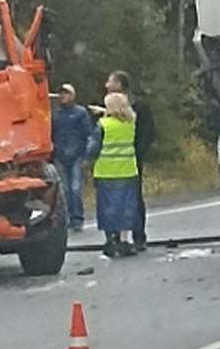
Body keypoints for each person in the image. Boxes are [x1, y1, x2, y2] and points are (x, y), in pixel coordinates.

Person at [90, 70, 156, 251]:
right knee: (123, 200)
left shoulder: (138, 105)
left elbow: (147, 131)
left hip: (128, 161)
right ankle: (119, 237)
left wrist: (137, 152)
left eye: (110, 82)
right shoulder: (121, 113)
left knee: (130, 200)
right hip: (124, 163)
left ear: (119, 84)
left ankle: (137, 236)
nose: (106, 85)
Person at [86, 92, 140, 257]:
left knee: (108, 207)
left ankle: (111, 240)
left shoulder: (103, 125)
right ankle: (125, 240)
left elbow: (93, 149)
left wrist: (86, 159)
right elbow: (120, 116)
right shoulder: (130, 123)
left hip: (107, 172)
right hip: (128, 171)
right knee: (126, 206)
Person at [51, 83, 92, 231]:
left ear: (73, 96)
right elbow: (52, 133)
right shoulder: (56, 114)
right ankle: (67, 218)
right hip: (60, 155)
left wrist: (85, 154)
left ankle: (78, 218)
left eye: (67, 93)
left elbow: (87, 134)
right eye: (62, 93)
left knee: (75, 188)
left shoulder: (80, 113)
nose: (63, 96)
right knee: (65, 189)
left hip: (76, 155)